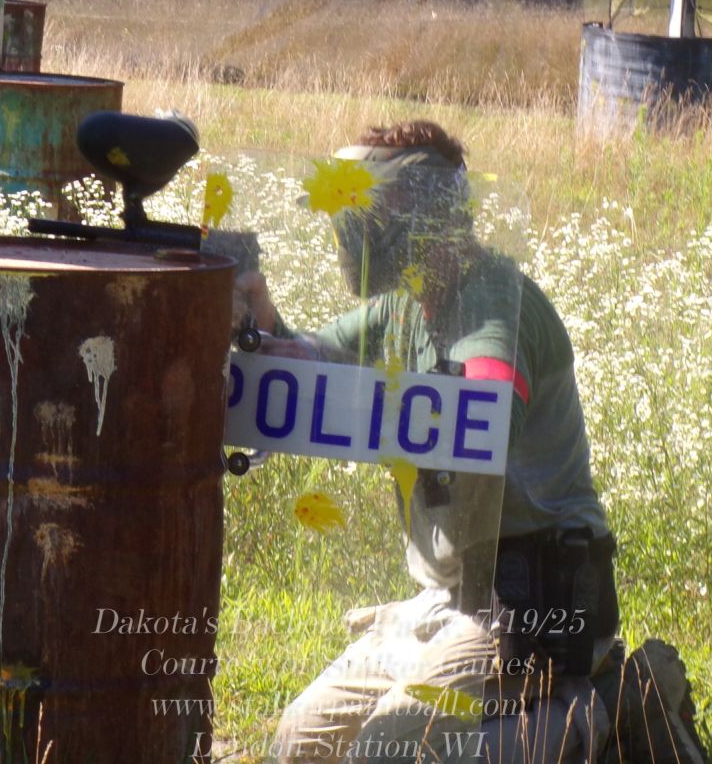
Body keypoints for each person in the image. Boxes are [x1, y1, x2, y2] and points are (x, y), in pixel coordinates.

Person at [239, 120, 661, 763]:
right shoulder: (404, 305)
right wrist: (257, 315)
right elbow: (311, 364)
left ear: (420, 214)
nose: (352, 236)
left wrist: (394, 409)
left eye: (365, 215)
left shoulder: (494, 305)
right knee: (303, 739)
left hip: (531, 608)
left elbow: (486, 417)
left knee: (388, 751)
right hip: (446, 600)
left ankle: (594, 714)